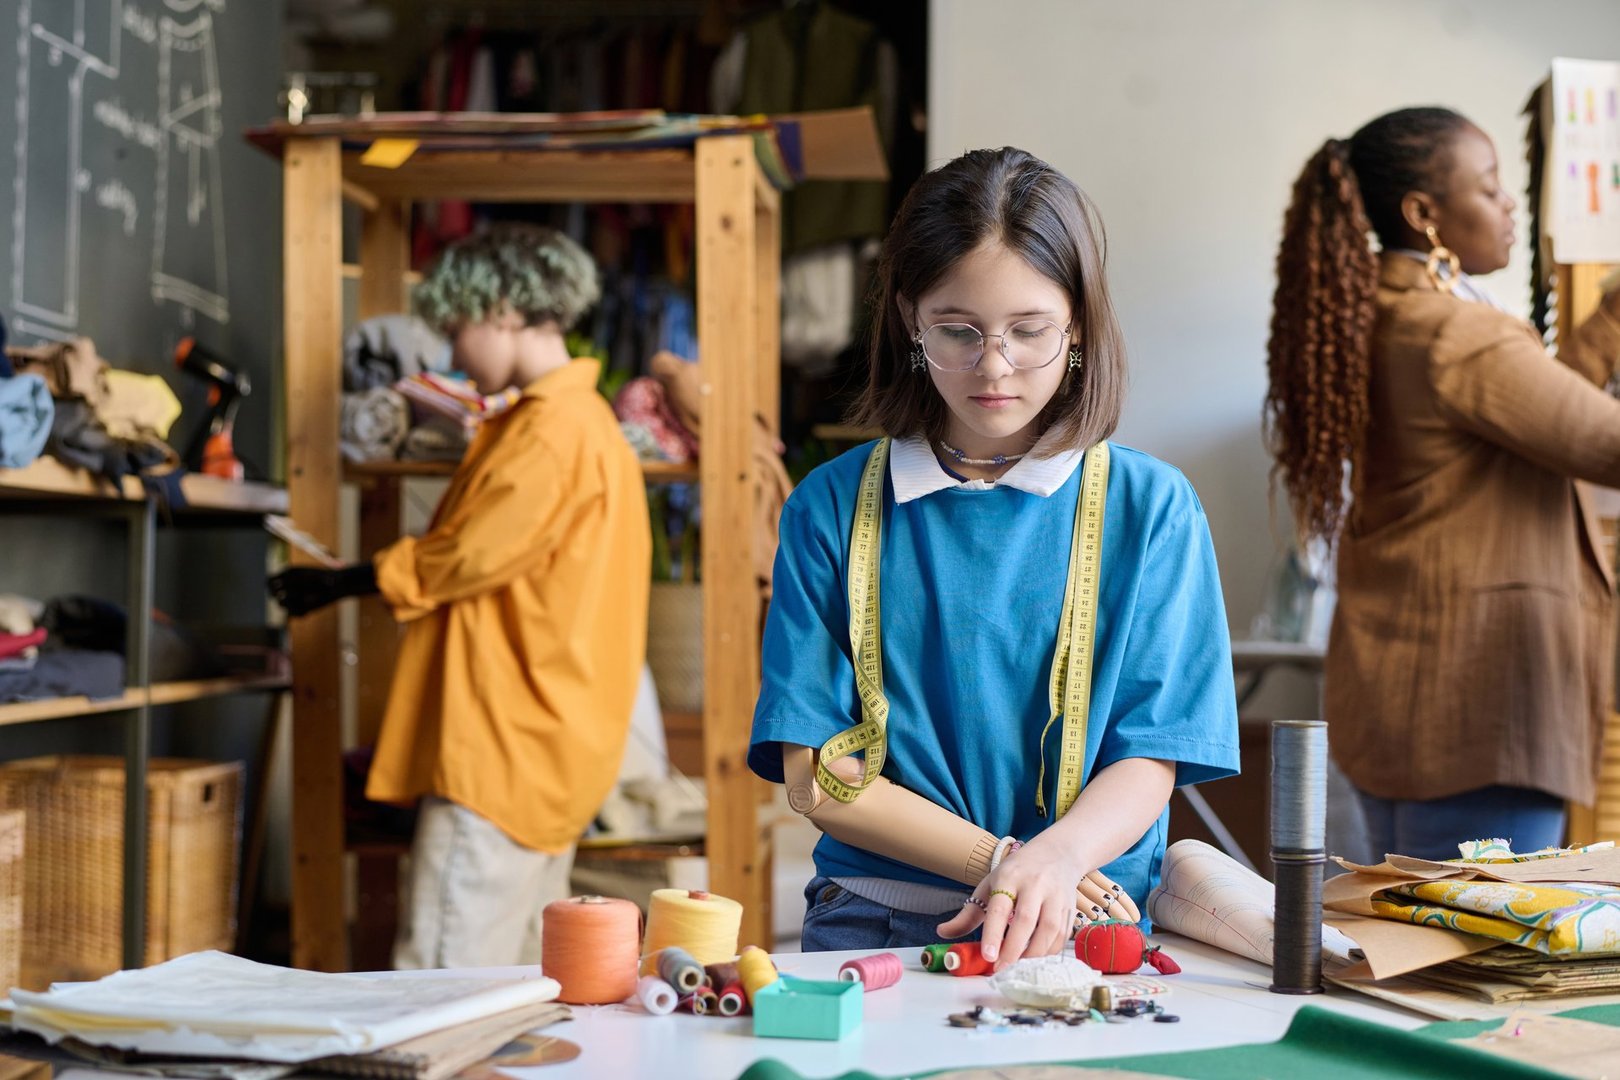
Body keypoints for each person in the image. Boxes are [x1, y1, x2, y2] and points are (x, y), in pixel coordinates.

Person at [748, 147, 1240, 970]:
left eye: (1029, 330)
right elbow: (815, 775)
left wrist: (1056, 860)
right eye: (958, 331)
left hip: (1086, 929)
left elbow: (1151, 752)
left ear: (1078, 325)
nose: (994, 365)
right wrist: (1008, 863)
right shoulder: (830, 508)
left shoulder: (1153, 509)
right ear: (910, 321)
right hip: (878, 922)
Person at [269, 224, 651, 968]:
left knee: (440, 985)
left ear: (502, 311)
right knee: (523, 987)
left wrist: (344, 580)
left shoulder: (550, 431)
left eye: (456, 330)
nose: (452, 355)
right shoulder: (583, 424)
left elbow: (467, 555)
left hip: (502, 753)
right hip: (551, 747)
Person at [1264, 106, 1620, 863]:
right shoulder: (1456, 333)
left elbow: (1533, 410)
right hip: (1482, 706)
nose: (1510, 205)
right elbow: (1600, 440)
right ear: (1424, 214)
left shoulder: (1372, 316)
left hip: (1398, 690)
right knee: (1477, 931)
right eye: (1490, 189)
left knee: (1404, 921)